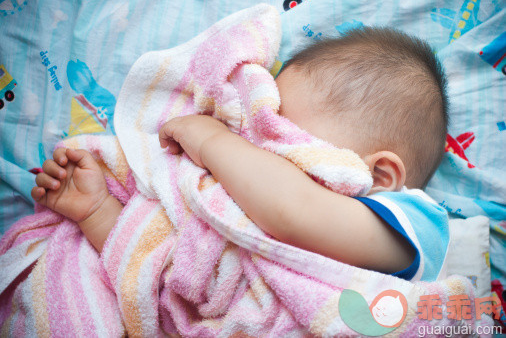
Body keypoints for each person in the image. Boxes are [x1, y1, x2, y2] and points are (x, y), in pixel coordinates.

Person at [31, 27, 450, 281]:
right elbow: (168, 289)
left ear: (379, 175)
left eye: (282, 142)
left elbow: (295, 211)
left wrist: (213, 142)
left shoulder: (416, 228)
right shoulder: (242, 211)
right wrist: (99, 214)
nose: (253, 150)